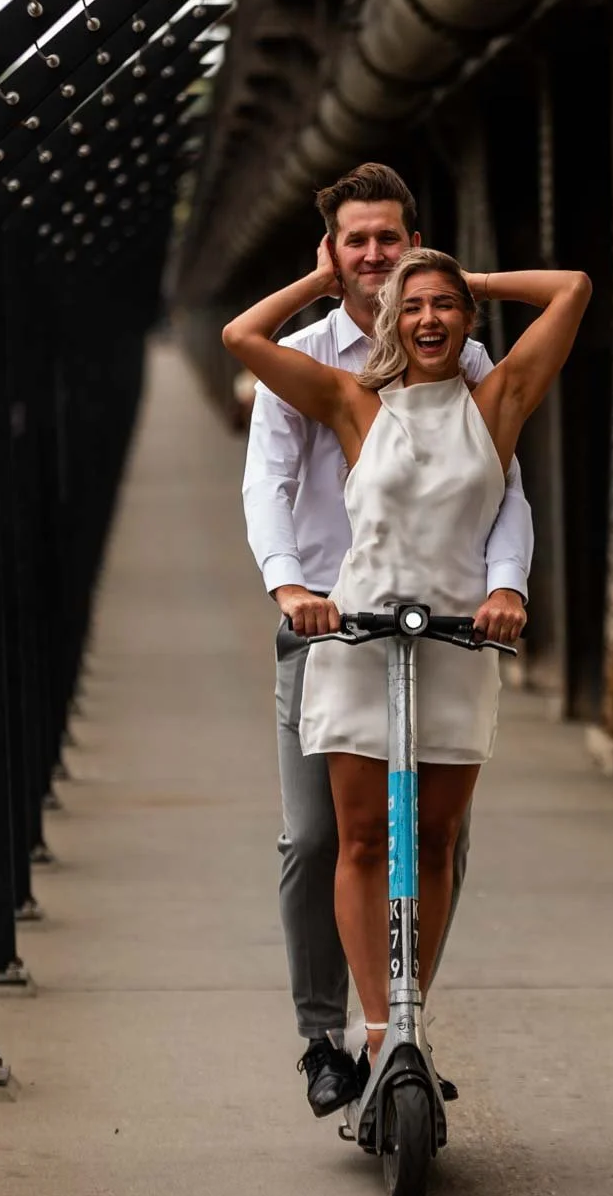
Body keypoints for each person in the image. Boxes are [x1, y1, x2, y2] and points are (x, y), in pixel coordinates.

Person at [224, 246, 591, 1088]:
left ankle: (406, 1026)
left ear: (465, 320)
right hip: (357, 640)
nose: (429, 319)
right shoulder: (355, 405)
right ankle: (380, 1028)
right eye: (413, 306)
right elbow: (241, 334)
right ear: (392, 320)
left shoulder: (498, 401)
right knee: (357, 841)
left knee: (434, 841)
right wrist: (322, 284)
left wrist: (471, 276)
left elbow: (572, 287)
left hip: (459, 643)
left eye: (445, 306)